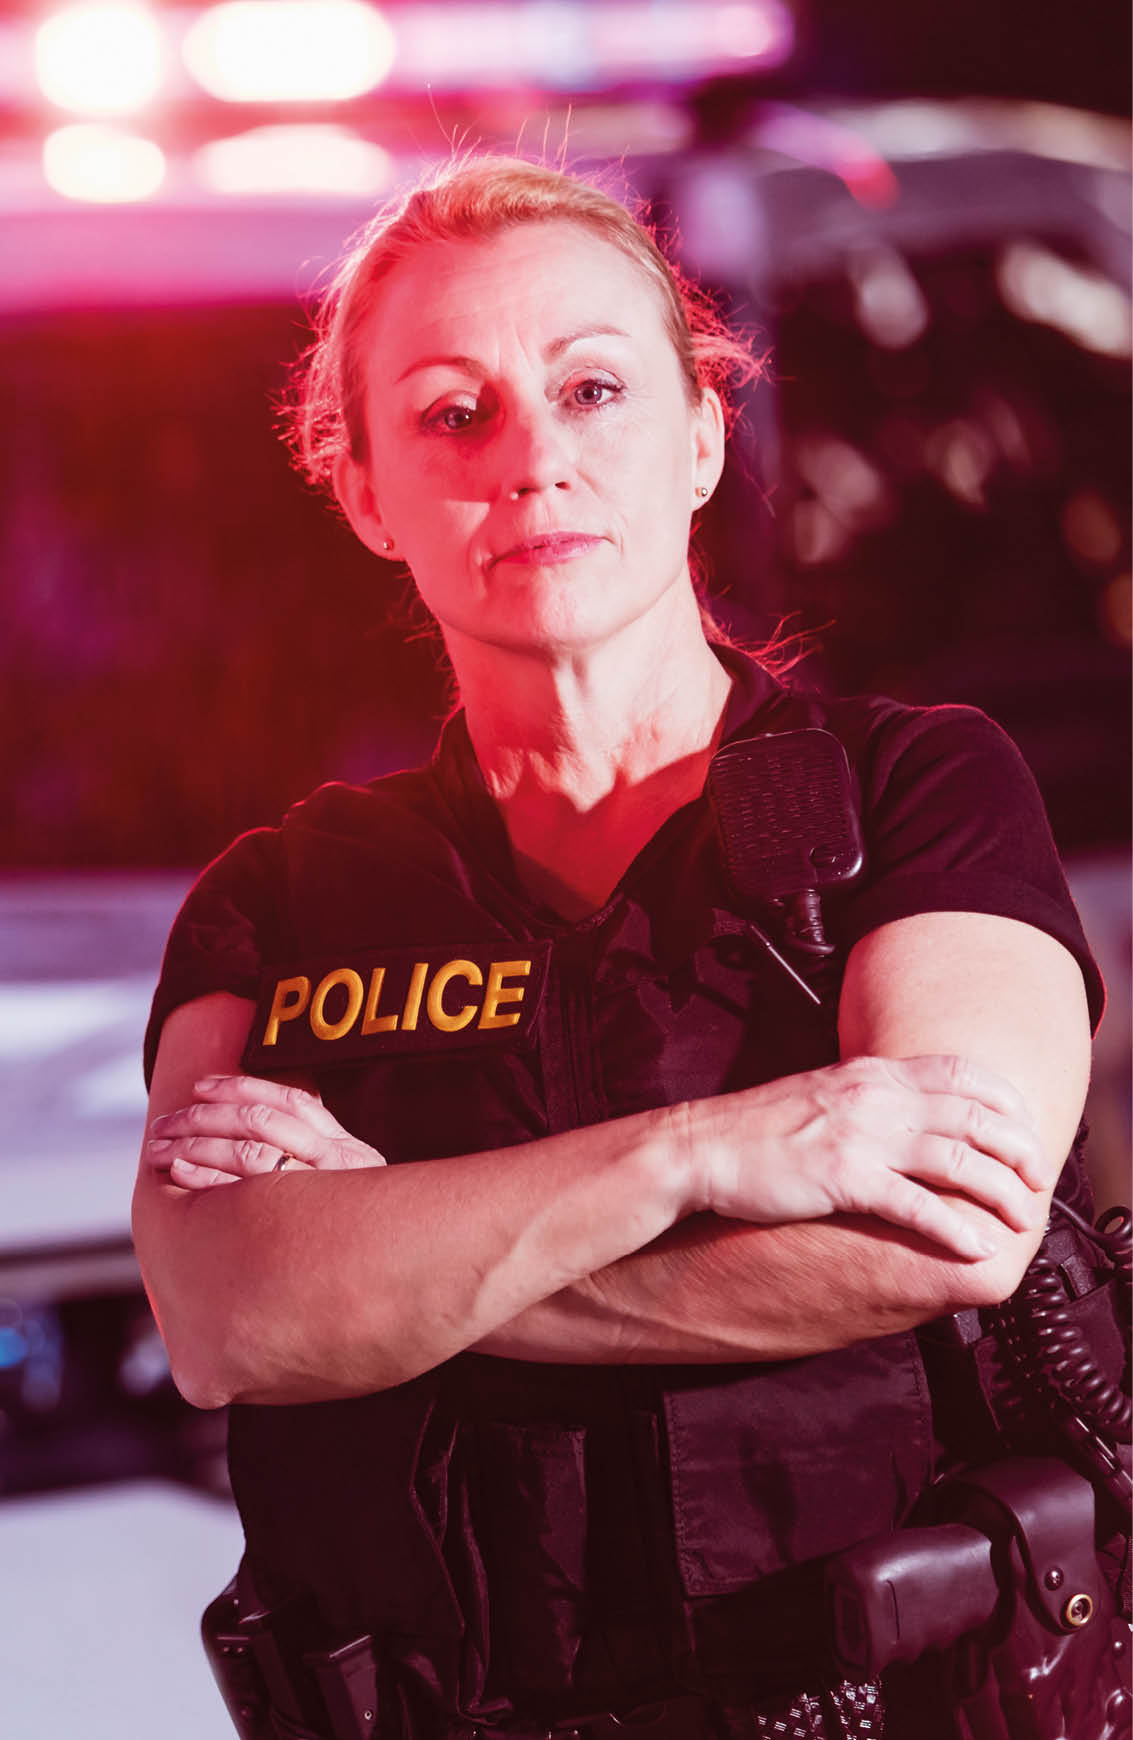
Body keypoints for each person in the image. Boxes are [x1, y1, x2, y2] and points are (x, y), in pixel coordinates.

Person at [132, 156, 1104, 1740]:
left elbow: (950, 1236)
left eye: (591, 390)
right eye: (453, 414)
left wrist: (385, 1267)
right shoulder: (281, 902)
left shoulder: (914, 786)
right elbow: (226, 1321)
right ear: (365, 489)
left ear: (703, 436)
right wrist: (698, 1155)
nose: (531, 461)